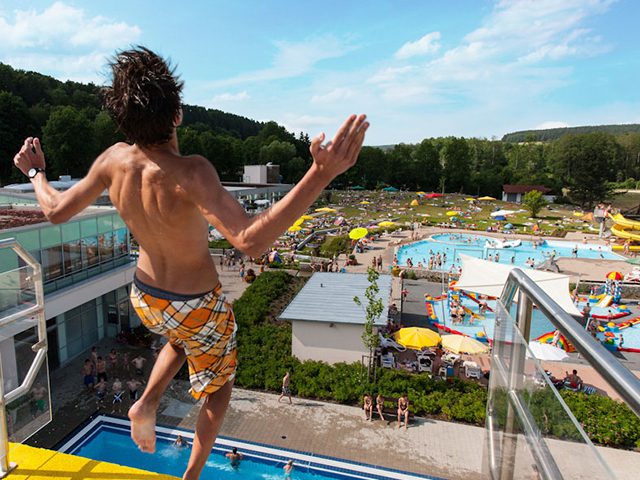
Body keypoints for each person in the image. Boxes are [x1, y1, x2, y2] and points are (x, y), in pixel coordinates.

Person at [13, 47, 367, 480]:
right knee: (218, 389)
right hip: (193, 300)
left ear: (123, 120)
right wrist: (320, 173)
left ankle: (145, 403)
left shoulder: (113, 160)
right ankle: (192, 475)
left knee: (184, 338)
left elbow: (54, 211)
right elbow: (250, 241)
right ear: (177, 113)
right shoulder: (191, 171)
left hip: (145, 297)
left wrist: (36, 174)